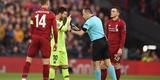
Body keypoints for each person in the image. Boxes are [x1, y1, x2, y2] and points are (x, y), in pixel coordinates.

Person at [71, 8, 117, 80]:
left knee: (96, 65)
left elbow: (81, 33)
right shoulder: (97, 19)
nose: (83, 16)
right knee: (108, 63)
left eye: (83, 14)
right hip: (104, 41)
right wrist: (77, 29)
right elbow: (89, 30)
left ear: (87, 13)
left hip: (97, 43)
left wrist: (71, 30)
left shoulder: (89, 21)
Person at [21, 0, 58, 80]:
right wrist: (56, 42)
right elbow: (55, 30)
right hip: (45, 39)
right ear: (47, 4)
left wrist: (32, 38)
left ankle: (23, 79)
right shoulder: (51, 14)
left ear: (40, 4)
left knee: (28, 59)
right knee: (45, 62)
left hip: (35, 38)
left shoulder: (34, 14)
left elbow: (31, 27)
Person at [101, 7, 126, 80]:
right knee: (103, 65)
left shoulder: (121, 23)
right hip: (108, 47)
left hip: (116, 48)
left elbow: (123, 37)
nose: (111, 12)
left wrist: (120, 48)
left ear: (118, 13)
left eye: (113, 11)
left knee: (117, 65)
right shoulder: (108, 22)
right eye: (111, 11)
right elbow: (106, 35)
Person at [49, 7, 71, 80]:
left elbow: (65, 28)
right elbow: (64, 29)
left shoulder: (61, 21)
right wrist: (68, 21)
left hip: (62, 47)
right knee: (53, 66)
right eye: (64, 14)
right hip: (55, 47)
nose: (65, 16)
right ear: (60, 13)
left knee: (65, 66)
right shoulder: (54, 21)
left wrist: (68, 25)